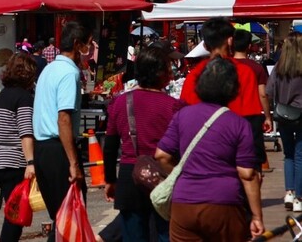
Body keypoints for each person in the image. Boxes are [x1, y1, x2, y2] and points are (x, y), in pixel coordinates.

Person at [155, 57, 264, 240]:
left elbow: (161, 156)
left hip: (184, 203)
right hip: (224, 203)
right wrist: (256, 216)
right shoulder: (239, 124)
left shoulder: (182, 116)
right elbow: (247, 174)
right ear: (233, 88)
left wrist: (185, 174)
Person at [102, 41, 182, 242]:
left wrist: (110, 179)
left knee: (133, 236)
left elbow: (110, 146)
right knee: (166, 234)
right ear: (160, 74)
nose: (171, 74)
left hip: (130, 177)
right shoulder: (174, 107)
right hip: (165, 177)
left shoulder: (120, 102)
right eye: (168, 69)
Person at [33, 21, 89, 242]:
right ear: (77, 45)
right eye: (88, 44)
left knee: (61, 217)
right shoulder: (68, 73)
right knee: (70, 215)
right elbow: (63, 119)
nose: (89, 50)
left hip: (43, 151)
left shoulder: (49, 69)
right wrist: (74, 163)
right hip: (58, 150)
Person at [0, 53, 37, 242]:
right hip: (12, 163)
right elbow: (25, 132)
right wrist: (30, 162)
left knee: (14, 212)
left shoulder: (3, 95)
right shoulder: (23, 98)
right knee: (16, 215)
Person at [267, 31, 302, 212]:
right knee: (300, 156)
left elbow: (269, 91)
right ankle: (299, 198)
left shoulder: (279, 68)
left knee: (288, 155)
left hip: (284, 115)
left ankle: (289, 191)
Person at [232, 28, 272, 171]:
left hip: (229, 114)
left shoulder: (225, 66)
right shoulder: (256, 68)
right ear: (249, 46)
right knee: (254, 158)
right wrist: (267, 117)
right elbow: (263, 94)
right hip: (252, 115)